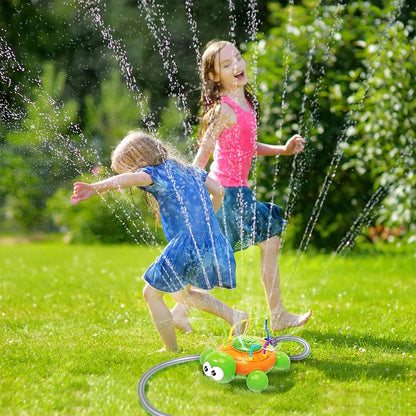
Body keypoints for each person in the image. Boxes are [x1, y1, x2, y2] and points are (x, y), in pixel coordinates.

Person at [71, 130, 247, 351]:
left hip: (186, 244)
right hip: (212, 241)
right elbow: (219, 191)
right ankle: (235, 316)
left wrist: (96, 188)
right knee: (181, 293)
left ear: (141, 161)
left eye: (129, 168)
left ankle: (171, 350)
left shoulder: (153, 173)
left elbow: (130, 179)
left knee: (151, 294)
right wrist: (206, 219)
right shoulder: (190, 170)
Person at [190, 39, 312, 331]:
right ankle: (279, 314)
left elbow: (247, 147)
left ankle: (180, 310)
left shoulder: (245, 104)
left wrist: (282, 150)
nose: (238, 66)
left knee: (209, 259)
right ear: (214, 77)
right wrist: (192, 183)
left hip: (236, 193)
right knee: (268, 238)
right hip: (227, 194)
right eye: (227, 64)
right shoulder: (224, 110)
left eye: (239, 58)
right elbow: (202, 155)